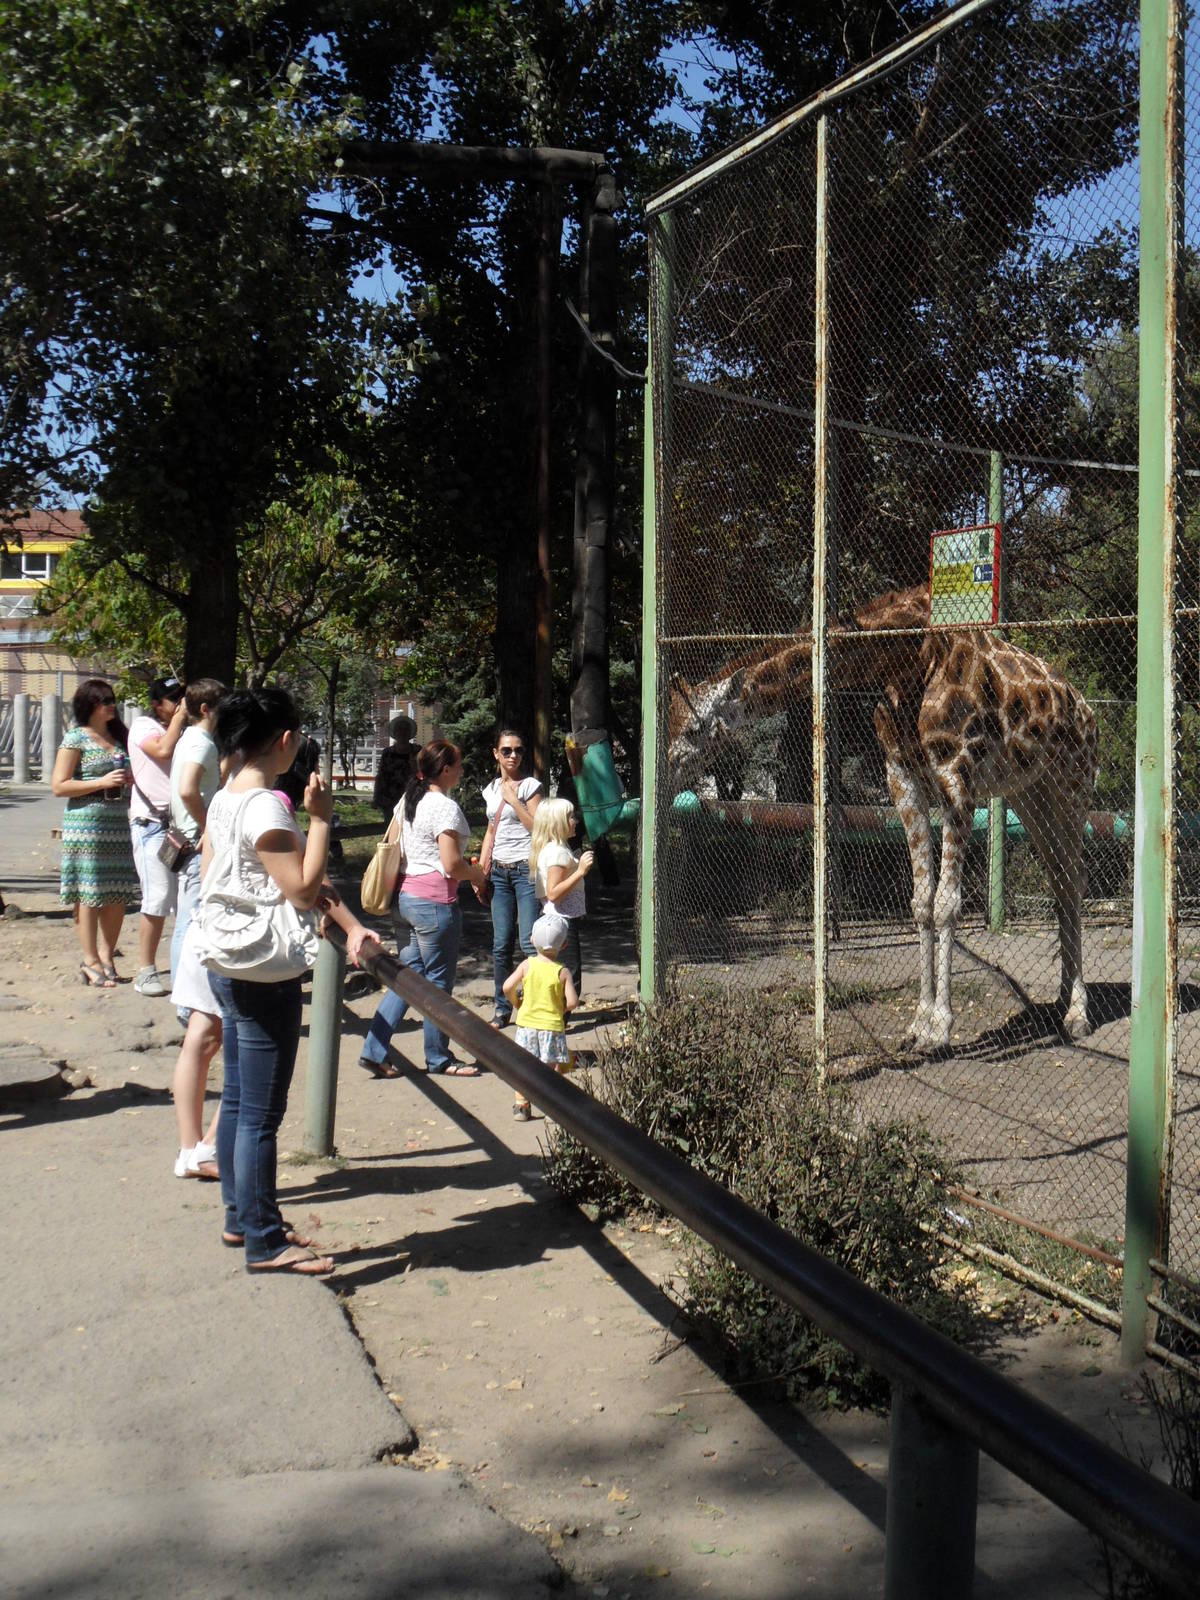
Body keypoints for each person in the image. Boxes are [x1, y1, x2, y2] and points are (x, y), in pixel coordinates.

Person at [202, 687, 379, 1277]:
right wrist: (322, 821)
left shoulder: (227, 796)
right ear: (284, 741)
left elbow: (224, 874)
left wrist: (349, 926)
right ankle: (263, 1239)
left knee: (238, 1101)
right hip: (261, 972)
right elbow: (302, 888)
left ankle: (242, 1217)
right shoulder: (267, 807)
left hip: (229, 961)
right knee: (260, 1115)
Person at [358, 739, 488, 1078]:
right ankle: (439, 1058)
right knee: (437, 985)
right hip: (434, 904)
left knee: (406, 979)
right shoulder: (445, 808)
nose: (461, 770)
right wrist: (477, 874)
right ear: (445, 770)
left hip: (404, 899)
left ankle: (374, 1049)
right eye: (458, 765)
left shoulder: (407, 801)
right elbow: (451, 864)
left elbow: (397, 849)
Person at [51, 678, 138, 986]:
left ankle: (107, 955)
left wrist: (128, 779)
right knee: (88, 894)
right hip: (86, 825)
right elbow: (59, 785)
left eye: (112, 699)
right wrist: (101, 782)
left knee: (117, 892)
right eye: (104, 700)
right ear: (89, 705)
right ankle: (89, 960)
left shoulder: (120, 738)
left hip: (117, 823)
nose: (111, 705)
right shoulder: (76, 738)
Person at [127, 674, 188, 995]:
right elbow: (162, 751)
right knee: (158, 897)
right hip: (151, 824)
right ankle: (146, 970)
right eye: (173, 699)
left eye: (182, 697)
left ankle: (183, 969)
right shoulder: (144, 727)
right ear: (156, 704)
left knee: (184, 900)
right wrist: (180, 720)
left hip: (180, 827)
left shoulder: (185, 731)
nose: (179, 704)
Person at [478, 727, 541, 1028]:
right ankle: (502, 1008)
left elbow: (539, 829)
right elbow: (491, 830)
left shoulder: (530, 786)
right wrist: (481, 872)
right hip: (500, 874)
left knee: (530, 943)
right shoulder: (490, 789)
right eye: (506, 750)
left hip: (526, 870)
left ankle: (534, 1006)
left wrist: (515, 801)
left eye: (517, 750)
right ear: (496, 754)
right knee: (501, 943)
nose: (513, 755)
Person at [168, 677, 225, 1001]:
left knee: (185, 920)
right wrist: (208, 827)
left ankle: (185, 996)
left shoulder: (188, 738)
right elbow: (188, 789)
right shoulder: (202, 742)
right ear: (205, 709)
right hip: (195, 842)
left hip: (184, 836)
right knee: (190, 922)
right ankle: (187, 1001)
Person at [503, 911, 578, 1121]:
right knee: (552, 1067)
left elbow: (507, 986)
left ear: (531, 940)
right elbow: (572, 1002)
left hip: (526, 1025)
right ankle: (551, 1108)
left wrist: (516, 1003)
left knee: (523, 1067)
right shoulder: (562, 972)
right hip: (552, 1027)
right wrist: (560, 1009)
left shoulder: (527, 965)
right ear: (563, 946)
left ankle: (521, 1106)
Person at [529, 797, 594, 998]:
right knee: (570, 975)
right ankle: (558, 1021)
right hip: (562, 920)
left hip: (555, 918)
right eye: (570, 817)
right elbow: (554, 893)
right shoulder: (557, 852)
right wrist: (580, 871)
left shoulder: (554, 848)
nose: (575, 820)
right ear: (558, 822)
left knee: (558, 970)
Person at [373, 714, 417, 821]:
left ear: (410, 732)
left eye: (405, 729)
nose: (402, 732)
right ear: (395, 732)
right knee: (391, 827)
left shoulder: (417, 752)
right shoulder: (387, 753)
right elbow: (381, 776)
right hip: (390, 799)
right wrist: (376, 798)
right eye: (399, 729)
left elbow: (423, 775)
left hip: (412, 798)